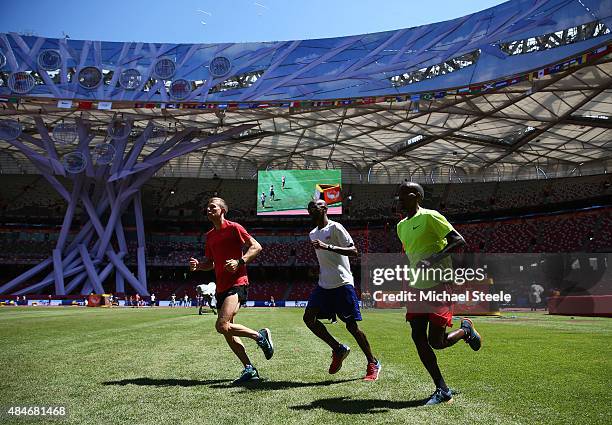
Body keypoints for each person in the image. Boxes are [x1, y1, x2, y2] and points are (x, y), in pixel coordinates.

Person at [396, 181, 481, 405]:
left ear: (415, 196)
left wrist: (432, 259)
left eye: (403, 195)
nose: (399, 199)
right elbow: (411, 255)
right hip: (416, 287)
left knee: (437, 341)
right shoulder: (400, 226)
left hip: (438, 284)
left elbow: (458, 240)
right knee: (417, 336)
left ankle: (466, 330)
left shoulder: (431, 216)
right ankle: (442, 389)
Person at [189, 197, 273, 384]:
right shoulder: (210, 236)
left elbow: (256, 247)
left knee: (221, 325)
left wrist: (239, 262)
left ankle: (260, 336)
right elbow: (210, 264)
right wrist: (198, 266)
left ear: (223, 210)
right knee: (227, 330)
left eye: (213, 207)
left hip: (237, 282)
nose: (209, 210)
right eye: (207, 207)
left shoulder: (234, 228)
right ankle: (249, 369)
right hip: (221, 286)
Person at [303, 199, 381, 381]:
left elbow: (354, 251)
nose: (313, 208)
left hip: (342, 283)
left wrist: (328, 246)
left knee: (352, 327)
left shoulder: (336, 227)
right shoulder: (312, 233)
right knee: (308, 318)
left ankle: (372, 362)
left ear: (325, 208)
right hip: (324, 285)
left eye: (317, 205)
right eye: (310, 207)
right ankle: (338, 348)